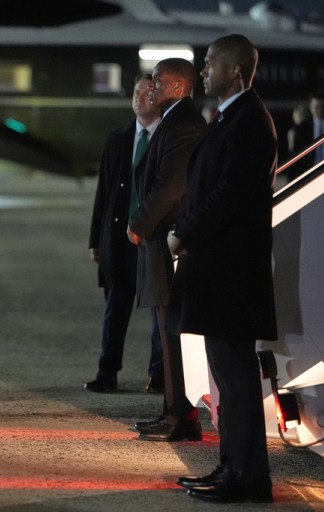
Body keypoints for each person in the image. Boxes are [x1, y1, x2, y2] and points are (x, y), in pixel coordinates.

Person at [167, 34, 277, 503]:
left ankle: (248, 476)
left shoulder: (249, 120)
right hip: (221, 274)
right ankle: (232, 466)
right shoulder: (234, 116)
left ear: (235, 71)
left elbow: (228, 195)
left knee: (236, 381)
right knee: (228, 381)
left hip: (232, 276)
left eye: (211, 64)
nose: (203, 70)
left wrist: (183, 232)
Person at [127, 58, 206, 442]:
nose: (150, 88)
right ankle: (172, 412)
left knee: (172, 330)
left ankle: (181, 418)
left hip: (168, 238)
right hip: (163, 236)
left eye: (157, 81)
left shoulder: (184, 124)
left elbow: (171, 185)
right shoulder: (176, 120)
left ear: (178, 87)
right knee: (165, 328)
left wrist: (139, 223)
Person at [86, 74, 164, 394]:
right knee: (114, 309)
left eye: (147, 93)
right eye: (135, 92)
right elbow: (103, 192)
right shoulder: (119, 138)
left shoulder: (168, 138)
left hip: (152, 238)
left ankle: (159, 375)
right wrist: (96, 239)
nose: (139, 97)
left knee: (158, 313)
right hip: (119, 238)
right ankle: (108, 371)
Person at [285, 93, 324, 181]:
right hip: (308, 175)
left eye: (322, 107)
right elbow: (295, 157)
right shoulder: (301, 130)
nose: (319, 110)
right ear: (311, 108)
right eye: (316, 107)